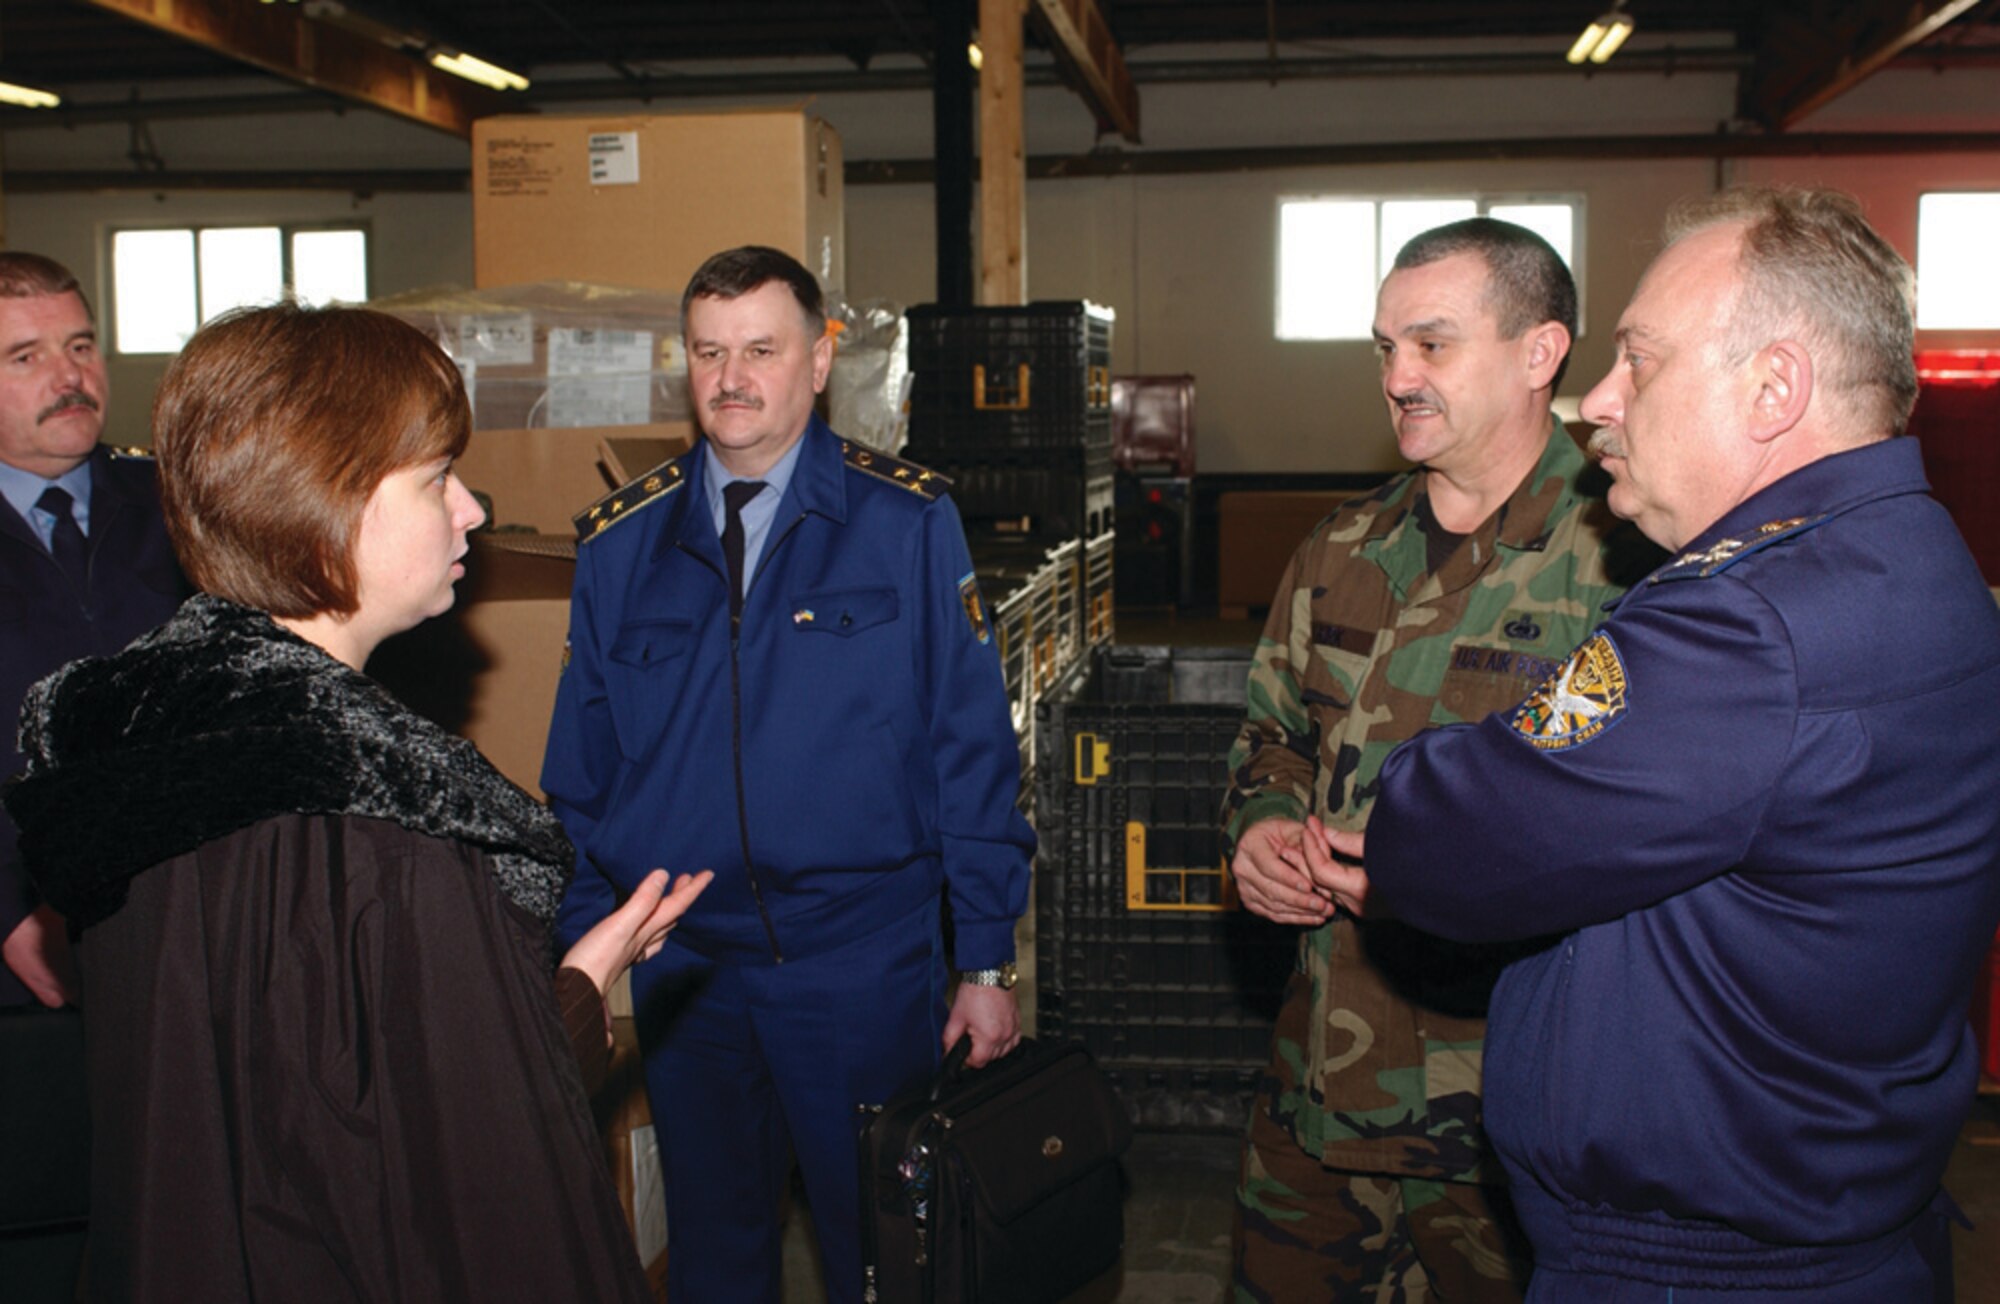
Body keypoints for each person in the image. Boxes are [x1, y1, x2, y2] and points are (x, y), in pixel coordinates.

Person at [1320, 187, 2000, 1301]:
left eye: (1639, 360)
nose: (1599, 398)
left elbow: (1441, 834)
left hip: (1699, 1267)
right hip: (1836, 1223)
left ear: (1772, 387)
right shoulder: (1914, 556)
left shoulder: (1746, 628)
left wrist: (1428, 771)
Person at [3, 301, 712, 1303]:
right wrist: (581, 993)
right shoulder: (390, 828)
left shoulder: (138, 750)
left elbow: (316, 1101)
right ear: (323, 502)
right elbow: (475, 1183)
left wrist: (566, 978)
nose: (471, 508)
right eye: (435, 479)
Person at [542, 245, 1034, 1304]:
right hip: (689, 975)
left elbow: (970, 746)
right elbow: (581, 773)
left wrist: (986, 957)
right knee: (715, 1258)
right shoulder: (620, 546)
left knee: (889, 1249)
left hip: (859, 961)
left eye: (761, 349)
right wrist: (585, 962)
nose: (731, 377)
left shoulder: (904, 520)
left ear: (818, 361)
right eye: (709, 352)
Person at [1224, 217, 1658, 1300]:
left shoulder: (1623, 564)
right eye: (1383, 348)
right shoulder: (1337, 548)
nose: (1397, 376)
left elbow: (1630, 822)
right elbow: (1269, 732)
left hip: (1508, 1116)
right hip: (1319, 1087)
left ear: (1537, 352)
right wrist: (1260, 828)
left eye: (1429, 344)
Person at [0, 252, 186, 1301]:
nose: (68, 374)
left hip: (176, 942)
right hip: (20, 976)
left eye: (79, 345)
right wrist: (10, 909)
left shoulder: (175, 507)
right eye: (26, 356)